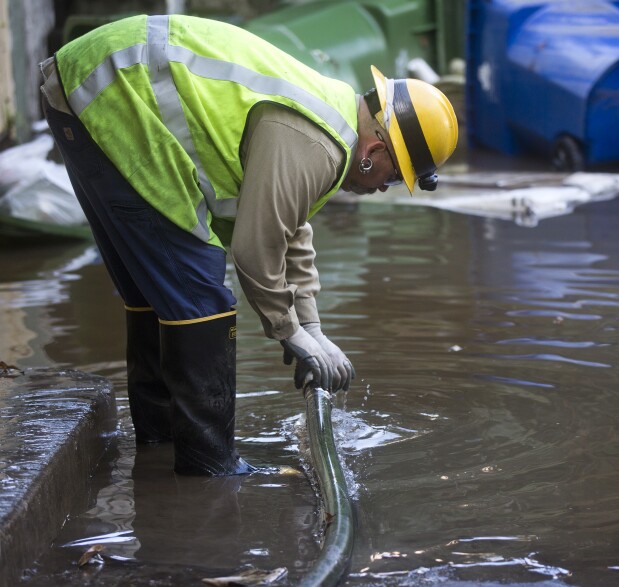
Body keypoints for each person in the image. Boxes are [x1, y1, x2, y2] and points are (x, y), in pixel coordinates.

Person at [39, 14, 458, 476]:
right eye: (394, 176)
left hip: (90, 83)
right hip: (108, 88)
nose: (385, 187)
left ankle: (157, 450)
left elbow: (288, 225)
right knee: (199, 296)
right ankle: (209, 470)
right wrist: (287, 330)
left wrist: (311, 326)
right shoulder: (317, 142)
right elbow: (256, 249)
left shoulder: (329, 120)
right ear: (374, 152)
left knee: (156, 293)